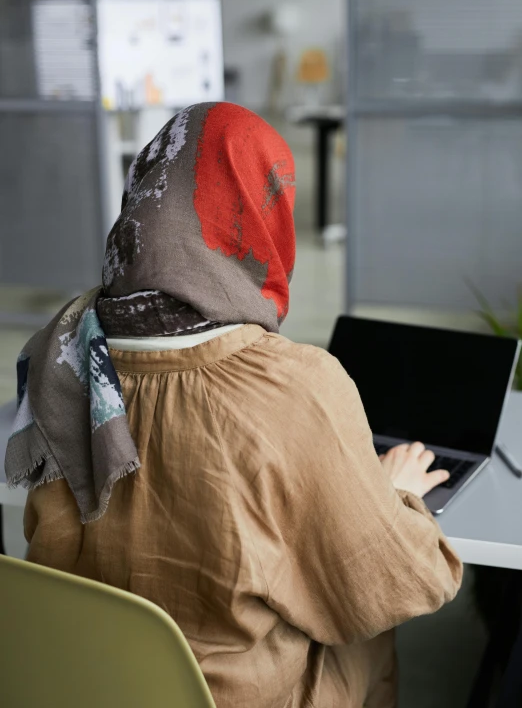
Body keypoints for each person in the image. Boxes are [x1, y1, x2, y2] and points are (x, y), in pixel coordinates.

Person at [6, 102, 462, 708]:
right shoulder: (297, 386)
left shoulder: (60, 349)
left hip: (81, 683)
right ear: (261, 215)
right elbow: (397, 584)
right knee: (372, 635)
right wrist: (392, 493)